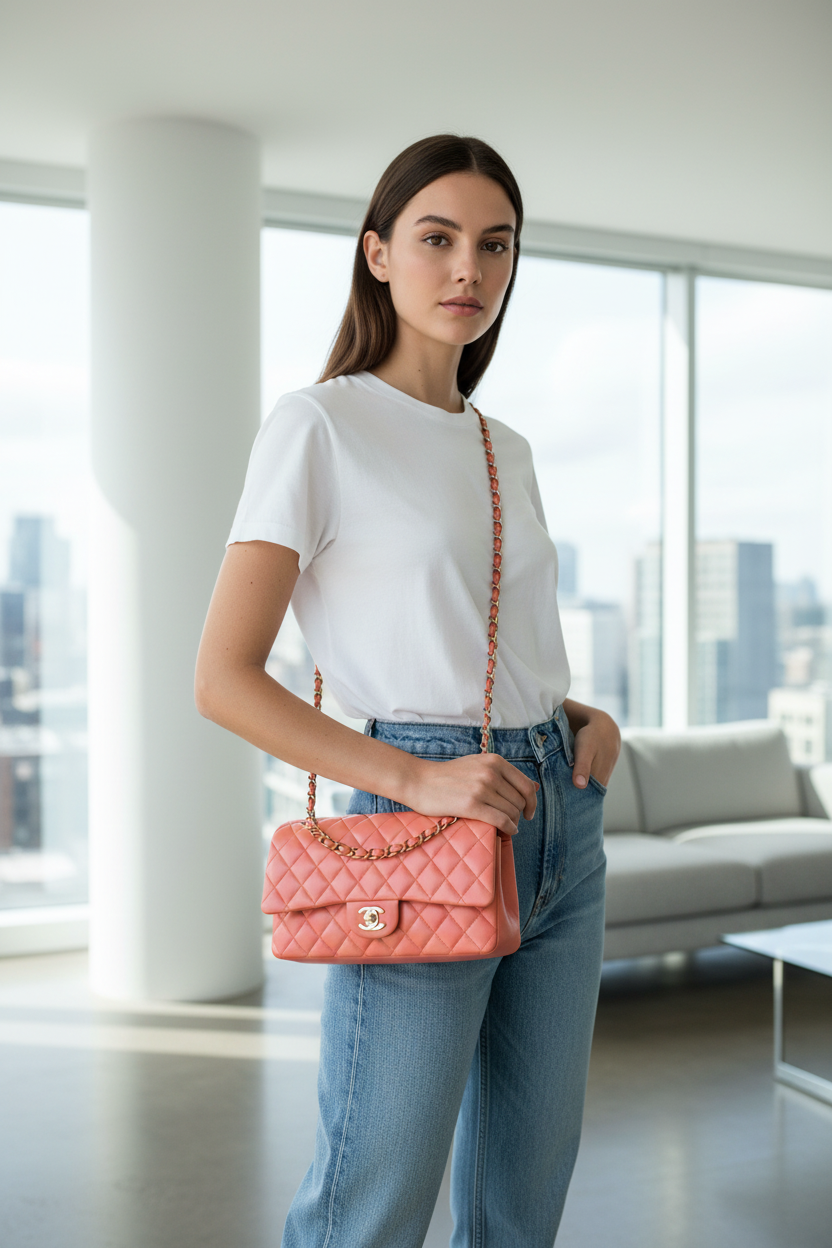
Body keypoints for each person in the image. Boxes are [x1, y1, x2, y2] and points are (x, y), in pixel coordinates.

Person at [195, 133, 621, 1248]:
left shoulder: (503, 446)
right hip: (420, 819)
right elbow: (223, 679)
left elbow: (492, 638)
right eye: (436, 239)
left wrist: (575, 713)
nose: (467, 269)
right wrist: (416, 780)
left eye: (495, 245)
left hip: (554, 815)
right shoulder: (318, 424)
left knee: (524, 1197)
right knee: (370, 1200)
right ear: (378, 253)